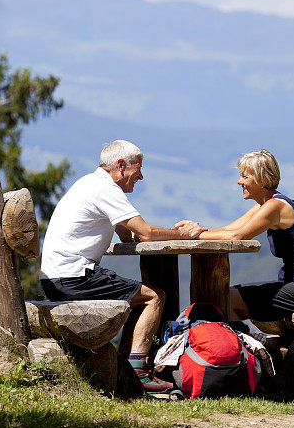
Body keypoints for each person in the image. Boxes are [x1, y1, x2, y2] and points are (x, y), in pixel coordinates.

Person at [40, 140, 206, 392]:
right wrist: (184, 235)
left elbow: (128, 234)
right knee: (154, 297)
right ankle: (138, 372)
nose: (141, 176)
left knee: (135, 297)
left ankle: (127, 367)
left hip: (56, 277)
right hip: (74, 277)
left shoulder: (88, 184)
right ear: (120, 166)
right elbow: (146, 233)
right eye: (138, 168)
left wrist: (152, 233)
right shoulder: (105, 189)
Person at [175, 149, 294, 322]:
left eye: (245, 177)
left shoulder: (276, 207)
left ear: (263, 180)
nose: (239, 181)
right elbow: (229, 230)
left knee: (226, 299)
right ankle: (239, 341)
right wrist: (197, 230)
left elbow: (237, 236)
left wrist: (194, 235)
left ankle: (237, 344)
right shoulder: (266, 205)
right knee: (225, 297)